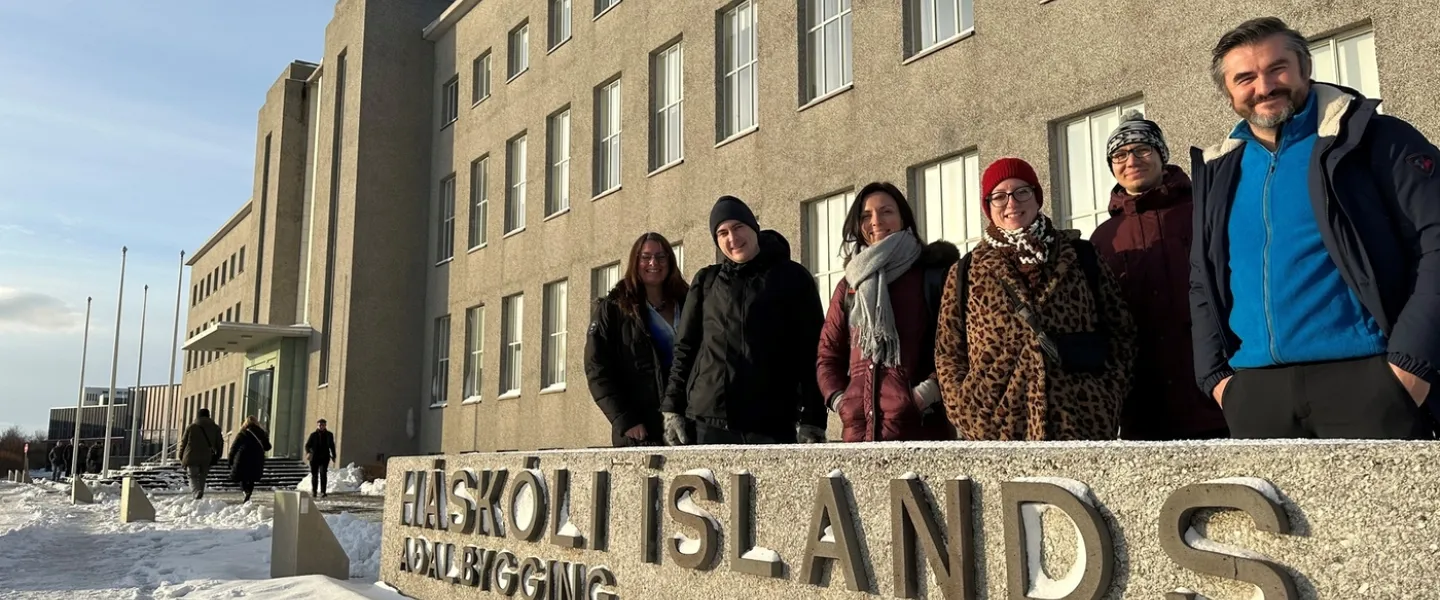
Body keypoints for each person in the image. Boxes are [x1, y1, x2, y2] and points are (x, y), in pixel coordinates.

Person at [1190, 17, 1440, 439]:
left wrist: (1411, 365)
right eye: (1245, 77)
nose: (1264, 86)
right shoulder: (1219, 172)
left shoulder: (1374, 140)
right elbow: (1203, 279)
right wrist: (1216, 378)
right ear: (1229, 93)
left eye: (1277, 68)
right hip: (1254, 393)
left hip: (1369, 381)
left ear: (1305, 67)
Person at [935, 158, 1137, 440]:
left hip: (1079, 424)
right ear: (987, 205)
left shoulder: (1080, 256)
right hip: (997, 431)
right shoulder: (965, 272)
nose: (1011, 203)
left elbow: (1120, 330)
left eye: (1022, 191)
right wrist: (967, 409)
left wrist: (1106, 397)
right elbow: (948, 351)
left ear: (1037, 197)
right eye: (999, 196)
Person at [1090, 113, 1228, 440]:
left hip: (1214, 396)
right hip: (1144, 409)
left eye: (1142, 150)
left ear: (1162, 155)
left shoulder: (1202, 212)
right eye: (1120, 155)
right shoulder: (1104, 238)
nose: (1131, 161)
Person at [659, 195, 828, 445]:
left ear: (754, 228)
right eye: (723, 232)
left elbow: (812, 350)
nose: (733, 238)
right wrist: (672, 409)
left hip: (771, 422)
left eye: (739, 227)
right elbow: (685, 348)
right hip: (708, 421)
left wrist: (814, 420)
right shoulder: (706, 281)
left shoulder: (792, 278)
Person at [816, 182, 959, 442]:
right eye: (866, 215)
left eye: (886, 212)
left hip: (919, 429)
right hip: (858, 435)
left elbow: (956, 347)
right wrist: (841, 401)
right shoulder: (850, 285)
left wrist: (922, 396)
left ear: (903, 217)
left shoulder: (932, 275)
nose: (876, 221)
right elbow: (828, 355)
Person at [585, 232, 689, 447]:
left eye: (661, 257)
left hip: (686, 424)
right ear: (635, 261)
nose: (654, 263)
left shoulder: (688, 302)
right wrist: (624, 419)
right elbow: (597, 369)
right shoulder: (614, 309)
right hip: (640, 430)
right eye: (646, 257)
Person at [178, 408, 222, 500]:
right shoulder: (215, 428)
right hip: (206, 457)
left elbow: (183, 443)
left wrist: (181, 456)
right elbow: (220, 444)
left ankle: (196, 493)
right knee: (202, 476)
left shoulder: (191, 427)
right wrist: (217, 456)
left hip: (191, 455)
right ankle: (199, 493)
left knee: (192, 476)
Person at [228, 416, 272, 503]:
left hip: (243, 456)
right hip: (256, 457)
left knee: (242, 476)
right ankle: (249, 492)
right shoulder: (261, 433)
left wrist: (230, 458)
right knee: (252, 477)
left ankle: (245, 491)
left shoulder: (243, 433)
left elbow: (234, 447)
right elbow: (268, 447)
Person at [304, 419, 337, 497]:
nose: (321, 426)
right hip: (314, 457)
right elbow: (307, 445)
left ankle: (323, 492)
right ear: (317, 426)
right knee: (314, 475)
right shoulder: (313, 435)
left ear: (325, 426)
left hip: (324, 457)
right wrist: (309, 452)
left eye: (322, 425)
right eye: (319, 425)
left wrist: (334, 456)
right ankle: (314, 491)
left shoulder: (329, 435)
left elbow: (332, 446)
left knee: (323, 474)